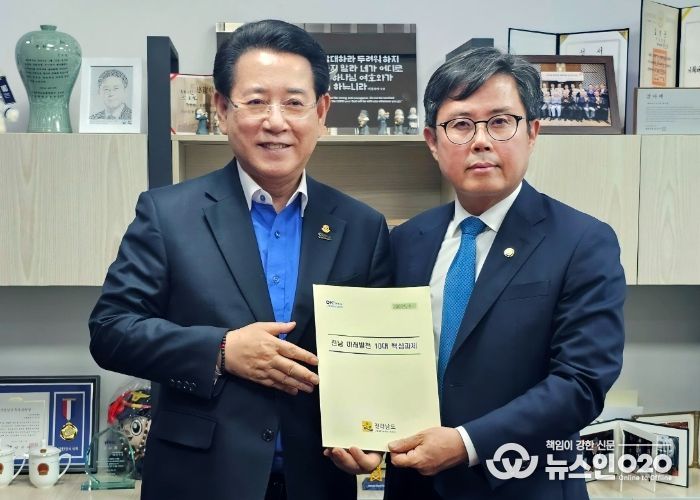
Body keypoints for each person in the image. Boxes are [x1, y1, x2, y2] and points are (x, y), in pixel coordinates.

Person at [89, 19, 391, 500]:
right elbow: (111, 331)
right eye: (255, 101)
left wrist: (372, 438)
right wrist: (221, 350)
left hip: (318, 480)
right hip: (198, 481)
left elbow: (378, 359)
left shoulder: (363, 226)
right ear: (222, 110)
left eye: (294, 102)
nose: (276, 121)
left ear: (321, 112)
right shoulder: (168, 214)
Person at [383, 47, 625, 500]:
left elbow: (581, 383)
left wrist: (466, 443)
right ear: (432, 141)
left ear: (532, 132)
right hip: (414, 487)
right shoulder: (406, 240)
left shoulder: (582, 242)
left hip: (524, 486)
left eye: (500, 122)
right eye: (460, 124)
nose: (481, 141)